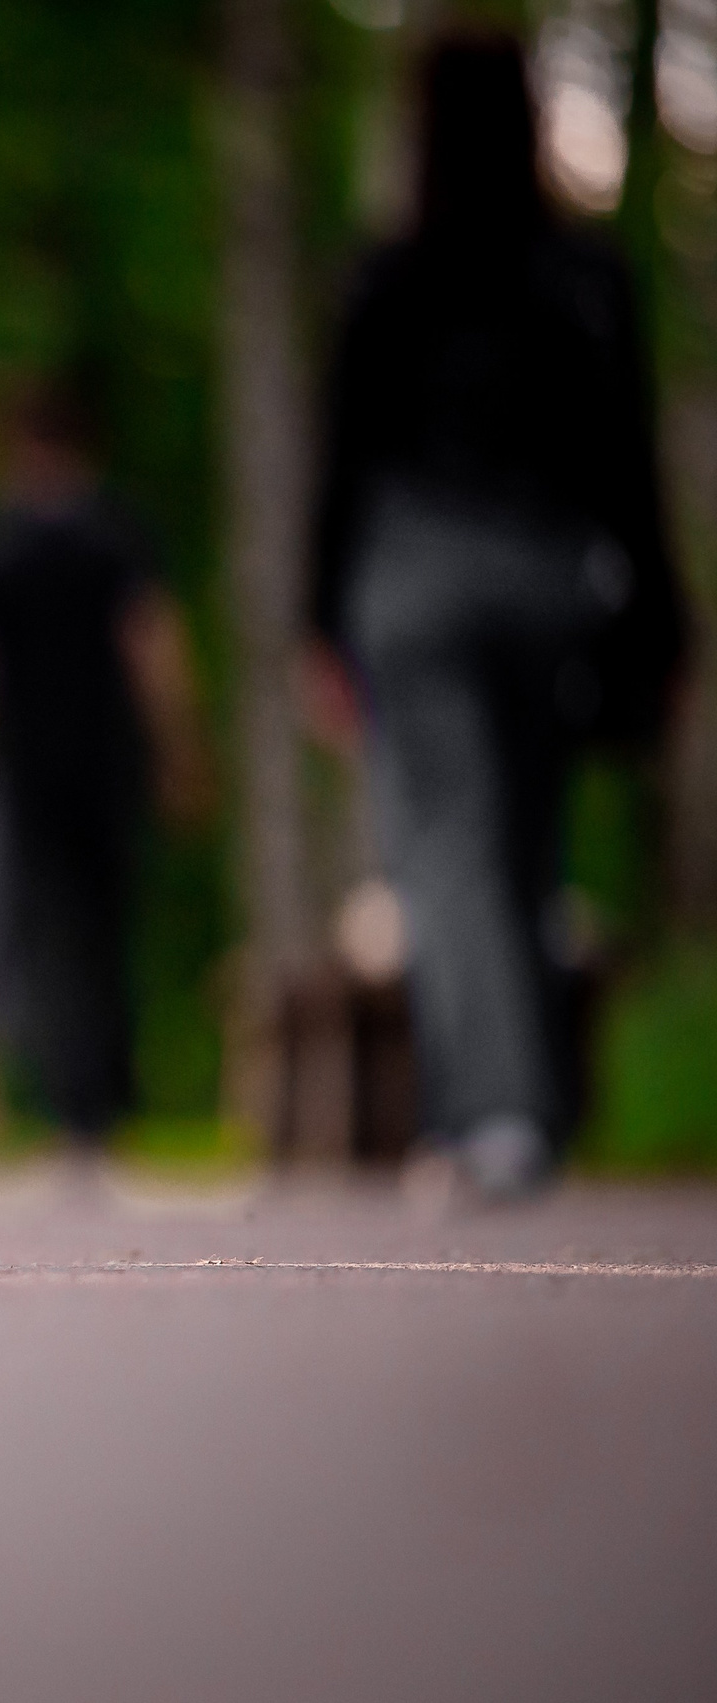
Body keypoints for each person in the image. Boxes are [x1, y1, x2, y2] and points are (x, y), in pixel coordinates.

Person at [309, 32, 685, 1200]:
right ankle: (532, 1107)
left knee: (449, 850)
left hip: (416, 574)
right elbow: (632, 464)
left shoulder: (388, 277)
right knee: (526, 842)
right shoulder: (583, 277)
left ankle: (495, 1112)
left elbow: (342, 465)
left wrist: (317, 620)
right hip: (545, 574)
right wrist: (664, 621)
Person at [0, 378, 205, 1158]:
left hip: (27, 768)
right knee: (107, 924)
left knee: (46, 931)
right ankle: (108, 1098)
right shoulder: (117, 531)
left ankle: (71, 1103)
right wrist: (180, 748)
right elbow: (152, 643)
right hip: (108, 760)